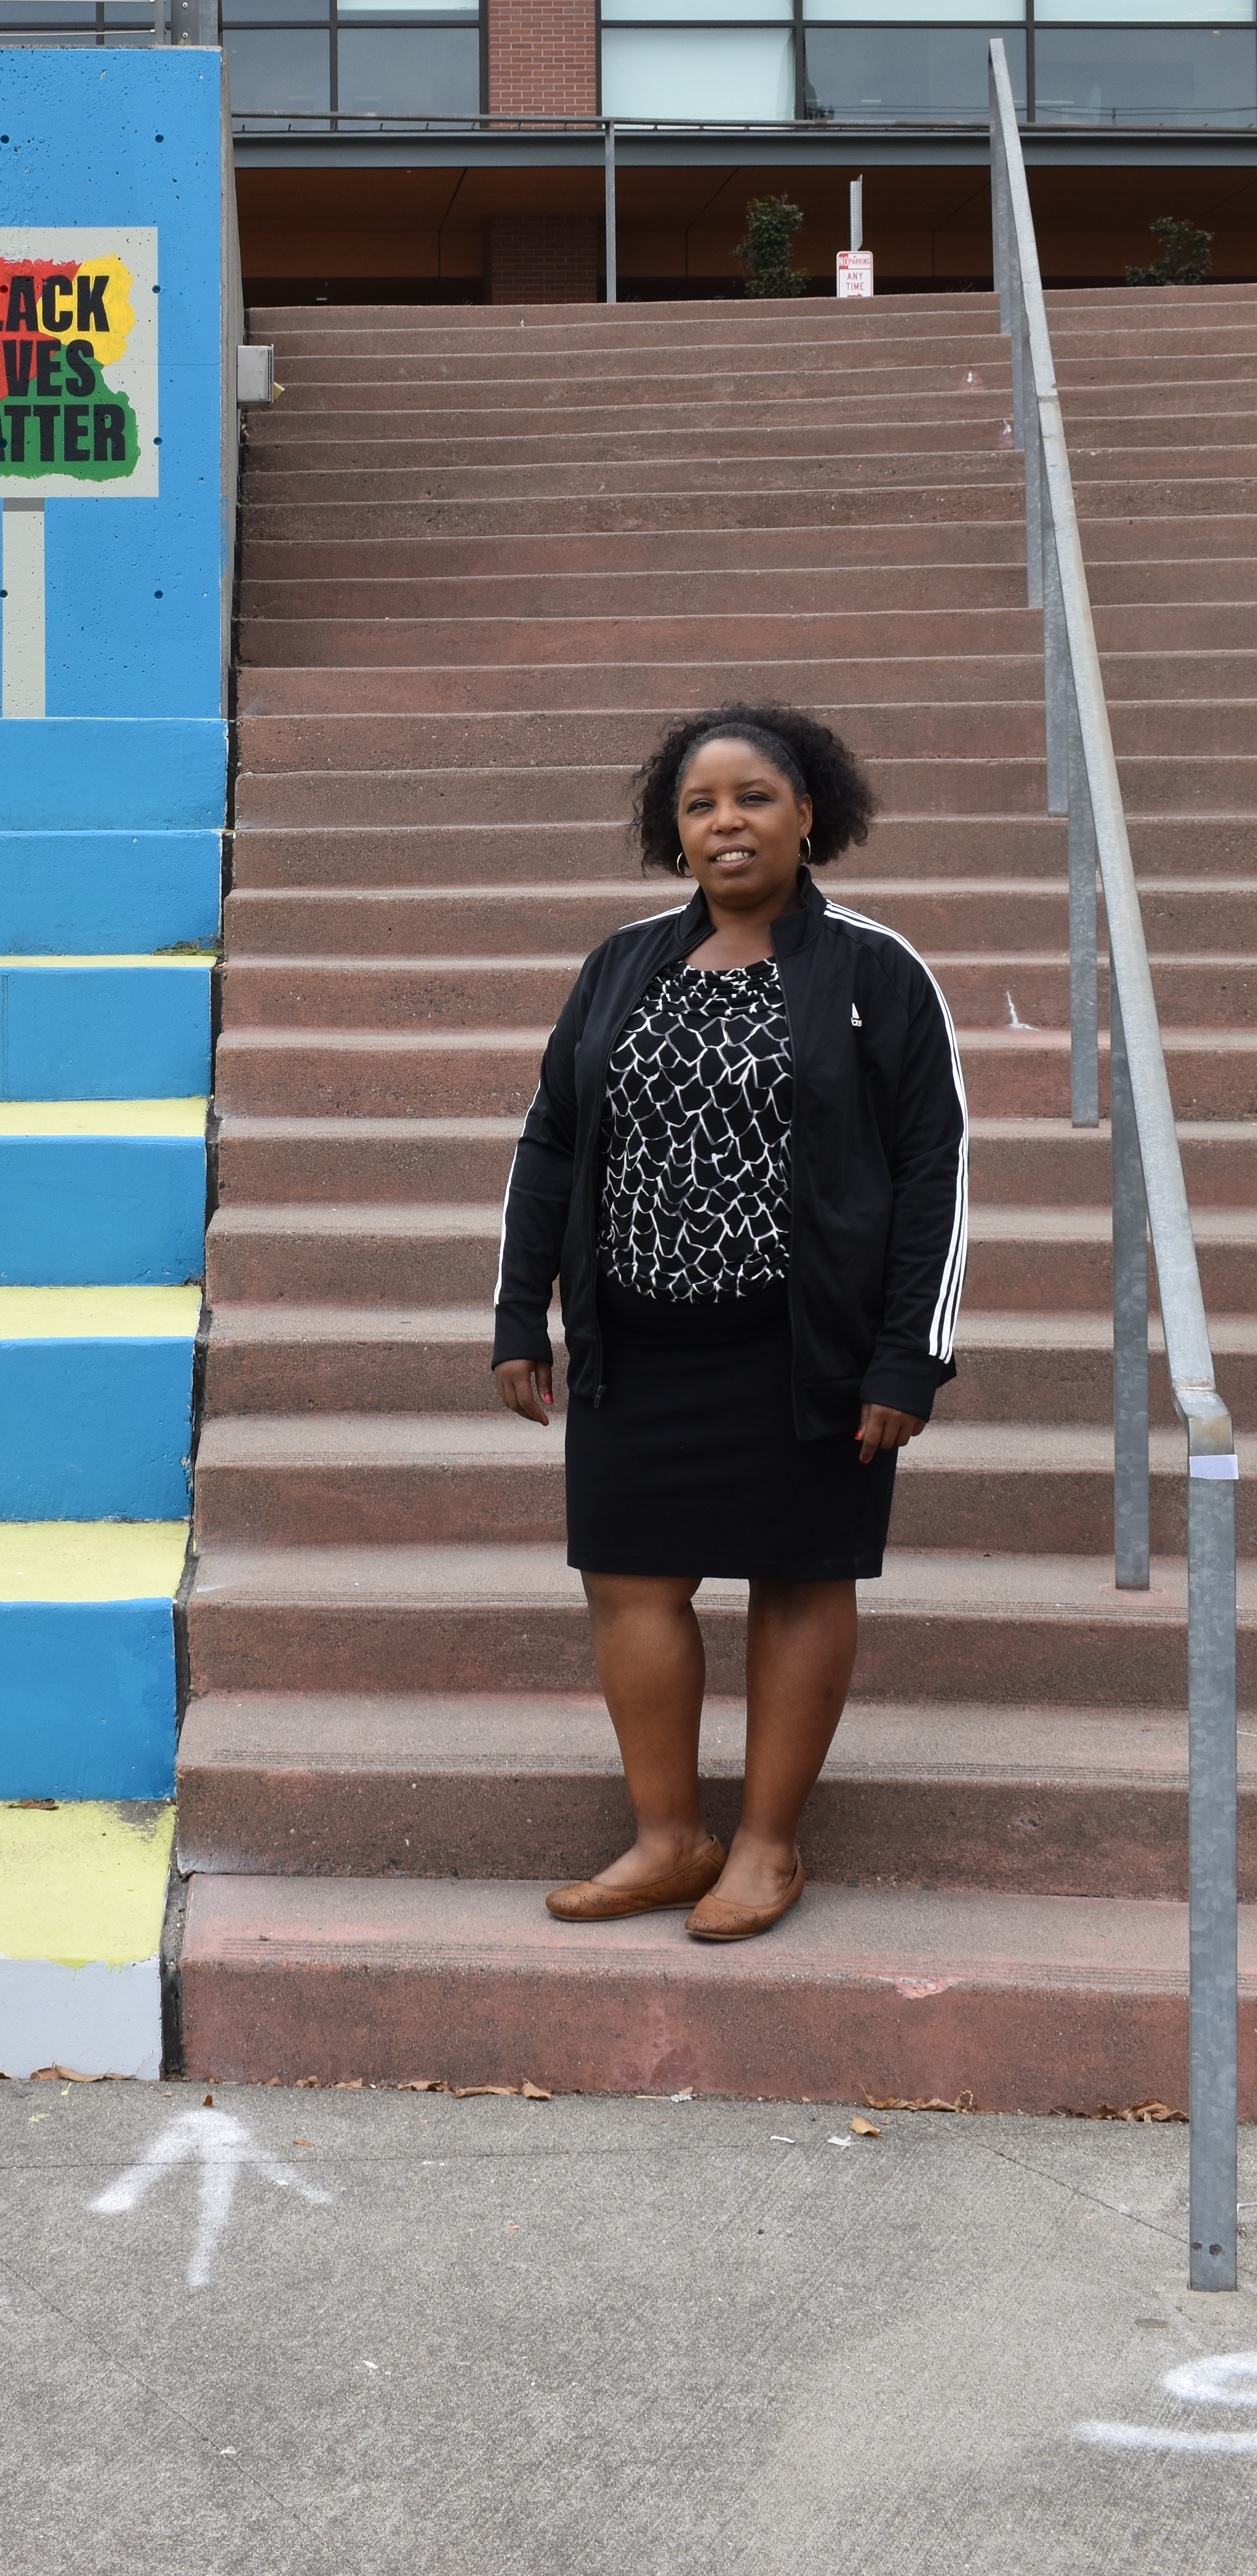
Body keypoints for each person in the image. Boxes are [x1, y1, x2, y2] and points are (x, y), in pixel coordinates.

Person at [490, 702, 968, 1941]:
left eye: (752, 797)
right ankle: (666, 1839)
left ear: (809, 815)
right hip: (635, 1344)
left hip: (798, 1346)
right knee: (627, 1583)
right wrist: (515, 1309)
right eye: (698, 804)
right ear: (673, 829)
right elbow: (550, 1138)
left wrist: (905, 1356)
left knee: (800, 1578)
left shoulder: (871, 969)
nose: (724, 822)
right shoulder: (620, 963)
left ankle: (763, 1846)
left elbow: (933, 1171)